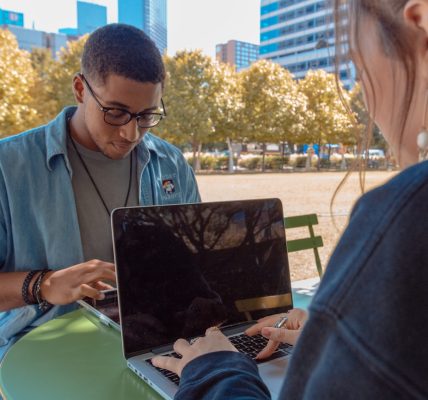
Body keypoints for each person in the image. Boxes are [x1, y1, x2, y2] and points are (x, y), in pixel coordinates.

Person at [153, 0, 428, 398]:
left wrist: (214, 369)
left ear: (420, 24)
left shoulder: (406, 216)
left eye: (356, 62)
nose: (362, 96)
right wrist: (336, 338)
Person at [0, 24, 200, 359]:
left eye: (147, 115)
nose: (131, 133)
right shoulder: (9, 166)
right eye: (116, 112)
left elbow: (194, 262)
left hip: (159, 342)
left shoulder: (172, 164)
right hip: (45, 350)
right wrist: (45, 285)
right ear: (80, 89)